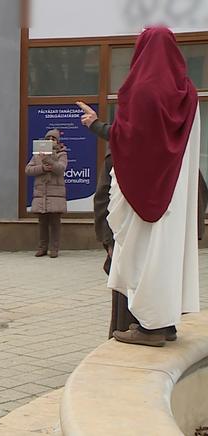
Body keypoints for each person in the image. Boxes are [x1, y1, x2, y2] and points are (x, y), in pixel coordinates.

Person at [77, 27, 200, 347]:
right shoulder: (187, 92)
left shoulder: (141, 89)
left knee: (140, 255)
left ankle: (149, 326)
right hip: (172, 191)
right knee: (165, 255)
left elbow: (129, 139)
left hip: (142, 192)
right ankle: (166, 321)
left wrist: (95, 125)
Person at [25, 129, 68, 258]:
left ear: (57, 141)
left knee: (55, 223)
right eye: (48, 138)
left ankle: (54, 249)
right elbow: (28, 170)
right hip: (41, 194)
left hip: (56, 194)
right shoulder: (37, 154)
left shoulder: (62, 153)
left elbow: (61, 169)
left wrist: (49, 160)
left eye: (53, 139)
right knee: (42, 223)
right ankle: (42, 248)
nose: (50, 141)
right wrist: (42, 168)